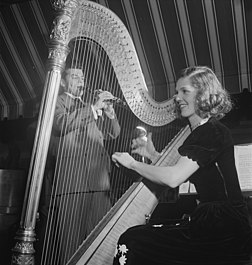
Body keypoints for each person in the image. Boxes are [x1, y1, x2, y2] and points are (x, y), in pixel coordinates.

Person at [112, 66, 252, 265]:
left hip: (223, 227)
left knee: (131, 241)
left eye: (185, 91)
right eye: (176, 92)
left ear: (203, 94)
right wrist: (151, 154)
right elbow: (191, 169)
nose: (176, 97)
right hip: (216, 221)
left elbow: (174, 178)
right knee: (137, 239)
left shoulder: (211, 131)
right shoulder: (202, 132)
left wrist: (132, 163)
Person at [40, 67, 121, 265]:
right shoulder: (55, 101)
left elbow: (113, 134)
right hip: (72, 182)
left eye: (82, 77)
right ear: (62, 82)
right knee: (72, 246)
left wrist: (110, 114)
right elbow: (61, 123)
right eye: (75, 77)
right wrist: (93, 108)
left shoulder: (89, 106)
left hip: (99, 183)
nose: (80, 80)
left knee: (104, 243)